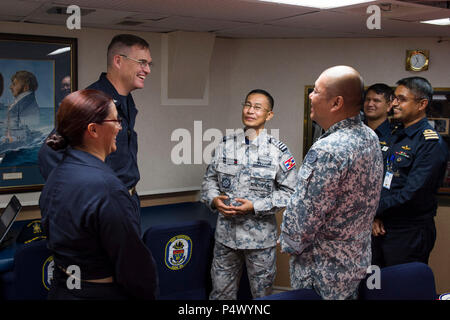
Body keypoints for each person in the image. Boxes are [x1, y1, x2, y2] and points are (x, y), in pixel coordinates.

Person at [39, 89, 158, 300]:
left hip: (64, 288)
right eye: (116, 120)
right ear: (93, 130)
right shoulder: (107, 189)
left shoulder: (57, 175)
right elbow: (135, 267)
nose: (120, 127)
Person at [279, 66, 383, 300]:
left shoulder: (328, 149)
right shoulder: (370, 136)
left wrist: (290, 244)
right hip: (356, 265)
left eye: (315, 91)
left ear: (336, 103)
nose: (310, 96)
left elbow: (302, 220)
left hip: (322, 273)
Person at [201, 89, 297, 300]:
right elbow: (209, 181)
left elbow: (290, 193)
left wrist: (255, 206)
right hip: (226, 237)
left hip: (259, 241)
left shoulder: (278, 152)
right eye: (247, 105)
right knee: (220, 295)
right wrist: (214, 200)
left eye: (257, 107)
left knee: (262, 297)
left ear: (269, 115)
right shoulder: (225, 145)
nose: (250, 111)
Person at [38, 34, 152, 208]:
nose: (147, 70)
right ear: (118, 61)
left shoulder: (126, 101)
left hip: (127, 200)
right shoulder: (93, 102)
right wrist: (81, 198)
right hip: (102, 205)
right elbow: (50, 153)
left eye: (149, 64)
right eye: (142, 62)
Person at [372, 77, 448, 268]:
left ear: (422, 104)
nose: (395, 103)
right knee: (376, 286)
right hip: (380, 225)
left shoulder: (430, 143)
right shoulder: (396, 135)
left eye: (402, 99)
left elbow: (412, 194)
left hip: (408, 231)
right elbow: (383, 178)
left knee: (401, 289)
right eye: (394, 98)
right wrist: (375, 216)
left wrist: (372, 210)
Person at [363, 83, 394, 147]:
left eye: (376, 100)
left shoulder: (396, 135)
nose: (370, 104)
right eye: (367, 100)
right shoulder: (355, 130)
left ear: (389, 106)